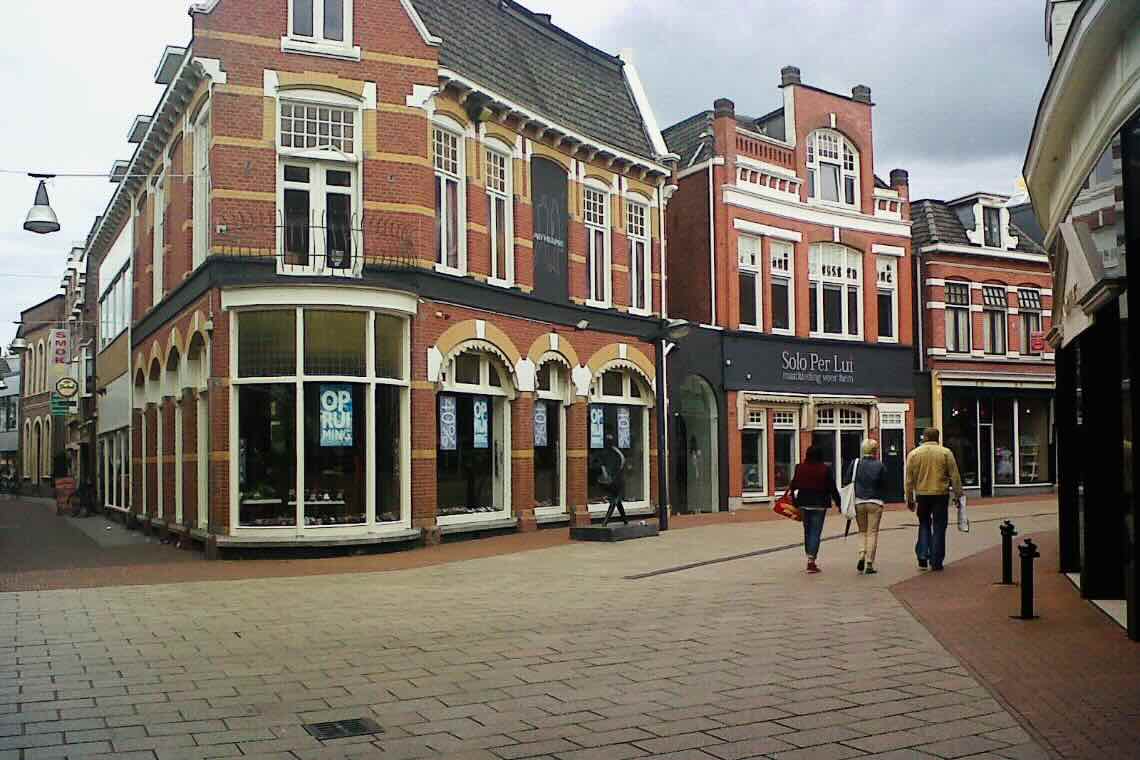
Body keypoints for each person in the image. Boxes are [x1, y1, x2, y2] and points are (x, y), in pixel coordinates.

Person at [905, 428, 964, 571]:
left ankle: (923, 555)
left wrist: (910, 499)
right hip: (940, 494)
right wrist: (958, 495)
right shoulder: (945, 453)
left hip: (922, 494)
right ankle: (936, 560)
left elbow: (908, 480)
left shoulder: (914, 454)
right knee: (939, 526)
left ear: (924, 437)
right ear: (938, 437)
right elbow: (955, 476)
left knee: (924, 523)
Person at [789, 446, 841, 573]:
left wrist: (795, 502)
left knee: (807, 531)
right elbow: (832, 487)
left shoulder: (799, 467)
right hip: (819, 504)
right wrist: (839, 503)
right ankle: (811, 560)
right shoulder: (825, 469)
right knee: (815, 532)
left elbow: (793, 485)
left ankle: (809, 555)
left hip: (804, 503)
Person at [851, 439, 889, 575]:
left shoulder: (856, 464)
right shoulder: (880, 465)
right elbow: (885, 483)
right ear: (875, 450)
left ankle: (861, 554)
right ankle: (869, 563)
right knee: (872, 532)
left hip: (859, 501)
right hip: (875, 501)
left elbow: (847, 479)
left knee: (862, 531)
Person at [600, 433, 628, 526]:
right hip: (617, 480)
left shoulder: (606, 452)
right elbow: (622, 462)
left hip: (614, 480)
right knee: (615, 501)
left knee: (616, 501)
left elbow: (603, 466)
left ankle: (621, 520)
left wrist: (607, 476)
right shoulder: (617, 452)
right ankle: (607, 522)